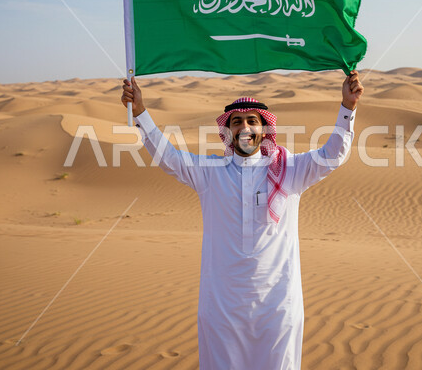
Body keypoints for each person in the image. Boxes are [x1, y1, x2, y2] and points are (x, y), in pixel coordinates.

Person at [121, 70, 363, 369]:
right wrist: (141, 112)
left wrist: (348, 108)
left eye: (252, 121)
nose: (245, 127)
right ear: (227, 132)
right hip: (222, 303)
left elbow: (334, 153)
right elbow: (168, 156)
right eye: (237, 122)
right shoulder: (210, 172)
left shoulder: (291, 170)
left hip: (278, 302)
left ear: (265, 129)